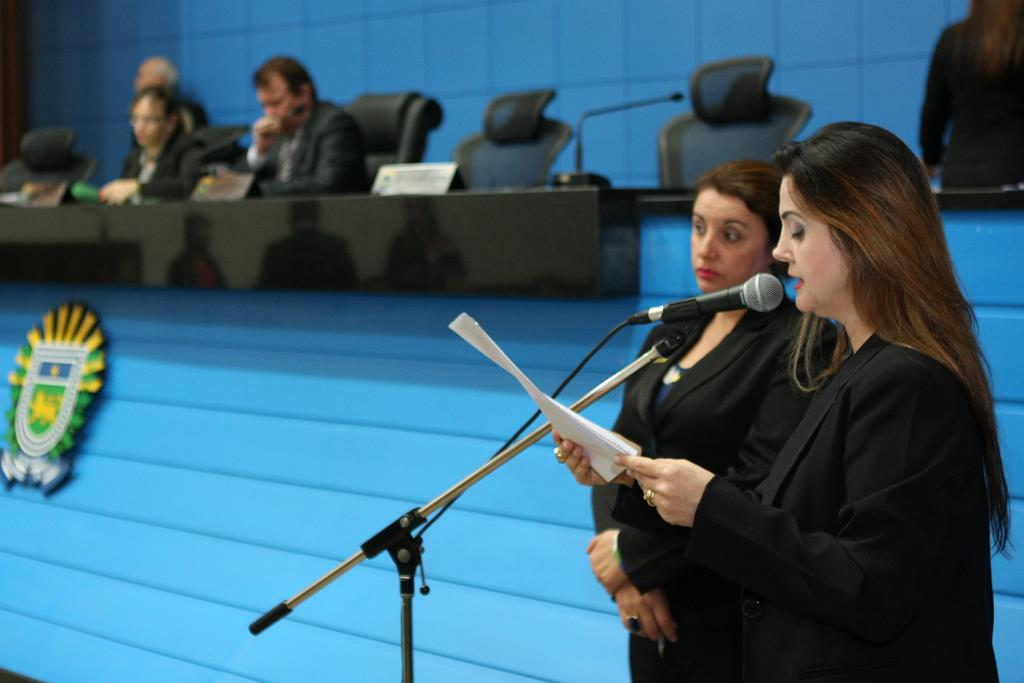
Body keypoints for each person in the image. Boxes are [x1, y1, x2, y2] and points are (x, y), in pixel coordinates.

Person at [561, 122, 1009, 681]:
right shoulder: (857, 365)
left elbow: (870, 586)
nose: (780, 251)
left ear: (861, 232)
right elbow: (784, 523)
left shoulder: (906, 383)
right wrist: (633, 481)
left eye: (796, 229)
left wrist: (707, 504)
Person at [560, 160, 814, 682]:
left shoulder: (797, 343)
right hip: (649, 607)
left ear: (774, 246)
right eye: (699, 228)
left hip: (729, 608)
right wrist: (626, 576)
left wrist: (631, 557)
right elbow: (620, 450)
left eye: (731, 234)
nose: (706, 249)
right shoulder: (671, 331)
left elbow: (756, 489)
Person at [920, 0, 1024, 187]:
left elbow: (932, 116)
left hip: (962, 171)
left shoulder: (953, 38)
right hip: (1017, 169)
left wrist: (932, 159)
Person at [242, 56, 368, 197]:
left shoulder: (335, 125)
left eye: (276, 103)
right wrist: (261, 151)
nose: (269, 113)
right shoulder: (277, 133)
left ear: (303, 94)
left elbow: (326, 187)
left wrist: (257, 192)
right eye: (264, 105)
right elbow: (245, 184)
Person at [99, 86, 198, 204]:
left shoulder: (187, 151)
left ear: (171, 123)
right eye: (135, 119)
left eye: (149, 120)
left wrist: (138, 187)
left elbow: (187, 186)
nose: (139, 127)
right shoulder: (133, 159)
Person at [134, 56, 208, 134]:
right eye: (135, 119)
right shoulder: (139, 111)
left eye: (141, 76)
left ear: (160, 80)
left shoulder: (191, 113)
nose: (136, 82)